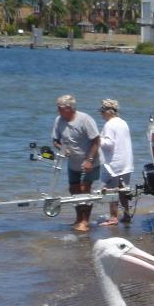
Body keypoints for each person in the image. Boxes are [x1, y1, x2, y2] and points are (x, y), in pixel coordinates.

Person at [52, 94, 101, 232]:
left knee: (85, 190)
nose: (58, 110)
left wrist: (89, 160)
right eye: (58, 107)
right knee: (74, 190)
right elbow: (55, 140)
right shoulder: (58, 120)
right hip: (73, 163)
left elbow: (96, 141)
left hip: (91, 161)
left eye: (60, 108)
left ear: (70, 108)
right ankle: (79, 219)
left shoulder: (85, 119)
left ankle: (85, 221)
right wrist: (62, 148)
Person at [97, 98, 134, 226]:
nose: (101, 113)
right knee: (123, 191)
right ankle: (127, 215)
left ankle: (113, 218)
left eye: (102, 110)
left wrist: (97, 140)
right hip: (126, 162)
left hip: (114, 163)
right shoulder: (123, 122)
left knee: (112, 191)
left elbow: (109, 143)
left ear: (109, 111)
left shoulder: (109, 124)